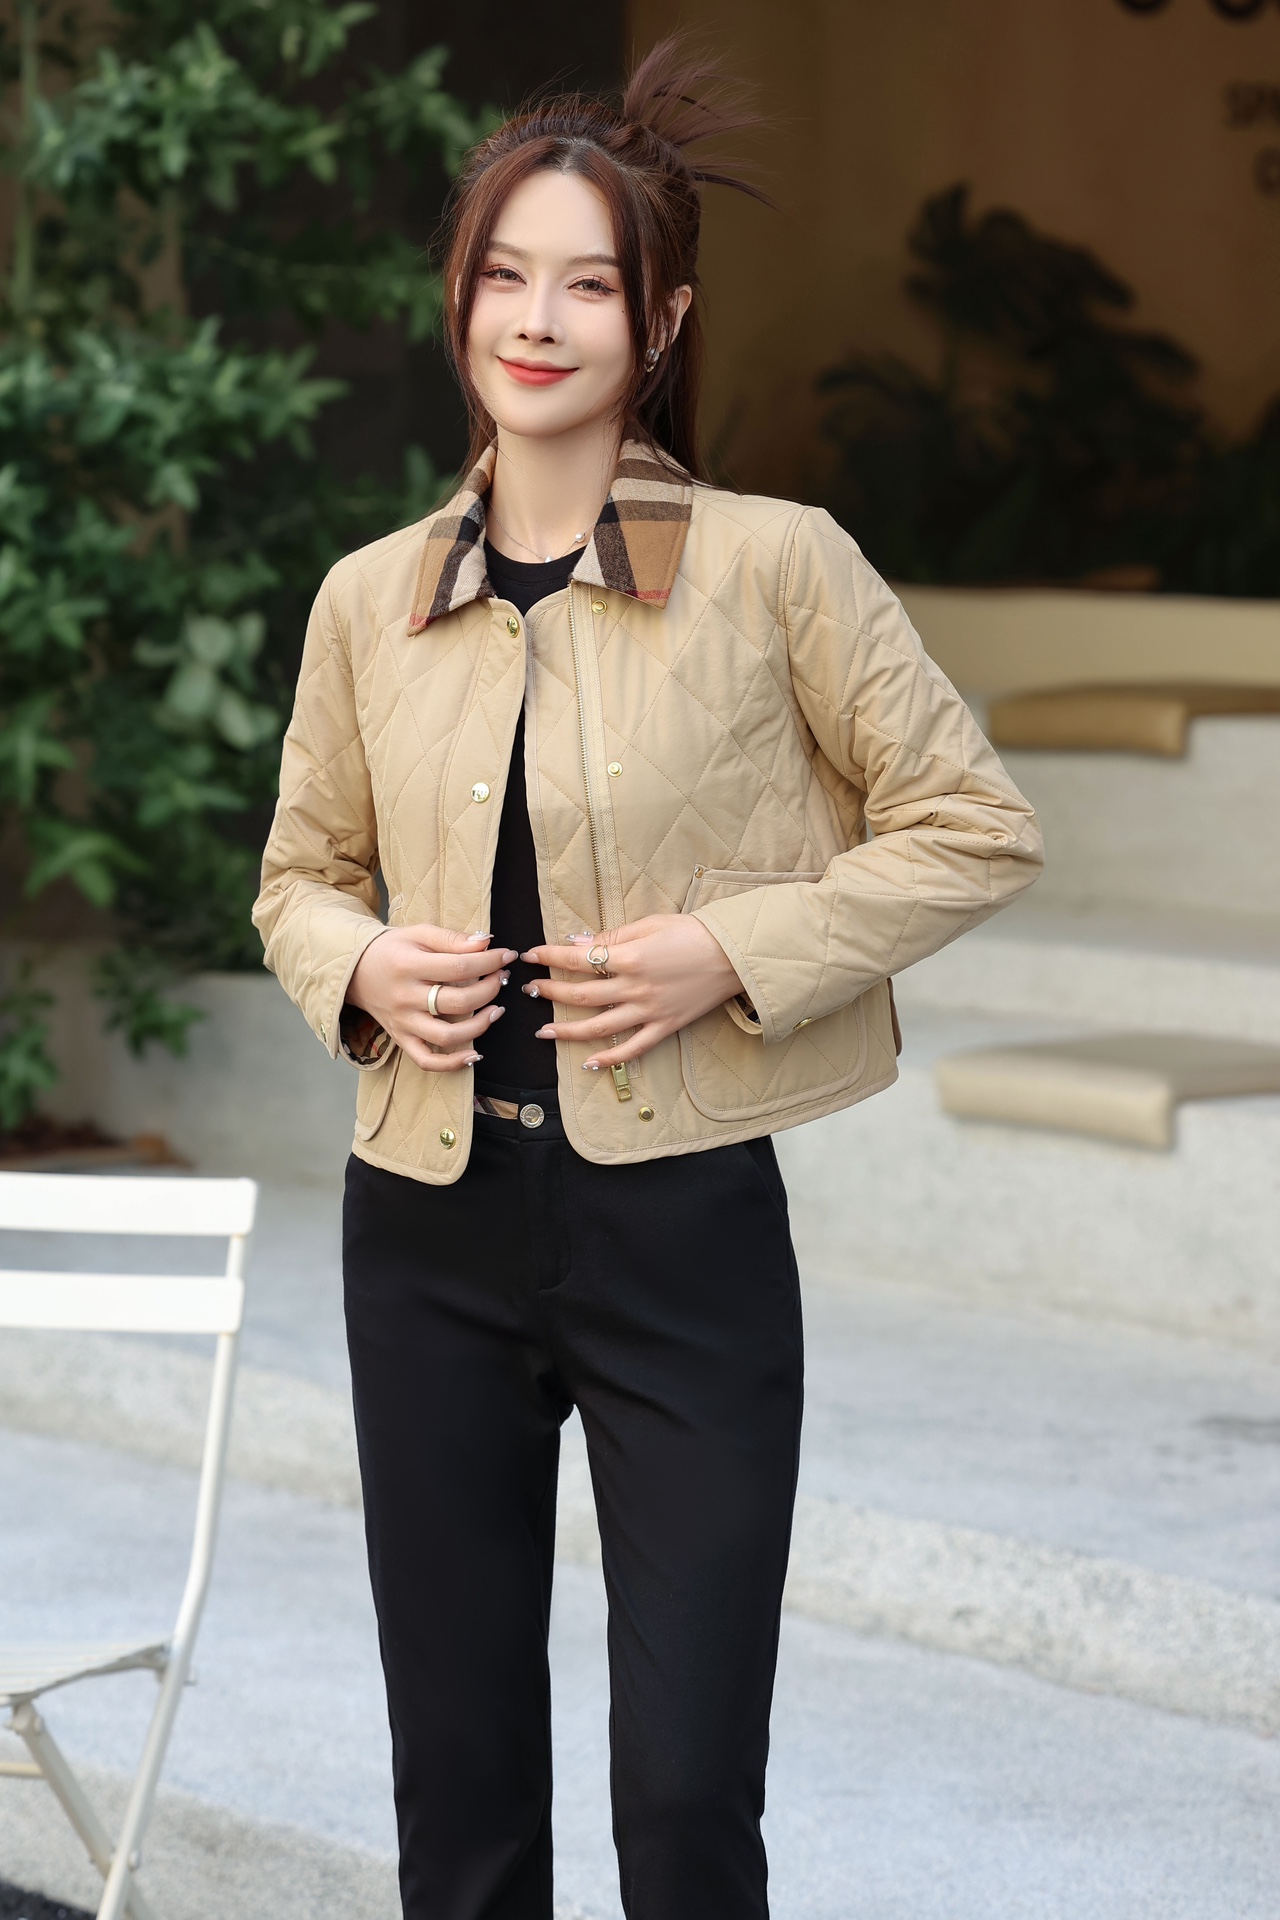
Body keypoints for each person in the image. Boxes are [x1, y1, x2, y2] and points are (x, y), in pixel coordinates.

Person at [253, 39, 1043, 1920]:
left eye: (589, 284)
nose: (537, 321)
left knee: (687, 1810)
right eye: (503, 276)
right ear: (458, 299)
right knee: (459, 1804)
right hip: (425, 1230)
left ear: (663, 318)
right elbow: (296, 878)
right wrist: (365, 964)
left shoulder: (780, 568)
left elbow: (973, 822)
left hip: (681, 1232)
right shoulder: (370, 597)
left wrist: (729, 951)